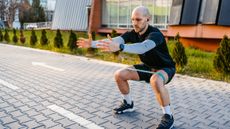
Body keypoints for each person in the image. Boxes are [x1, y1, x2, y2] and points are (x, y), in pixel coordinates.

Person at [77, 6, 175, 129]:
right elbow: (116, 40)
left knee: (155, 80)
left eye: (138, 19)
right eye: (132, 19)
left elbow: (143, 47)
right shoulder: (132, 33)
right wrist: (92, 44)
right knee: (119, 74)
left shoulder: (155, 34)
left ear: (148, 19)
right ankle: (128, 103)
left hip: (165, 68)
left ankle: (168, 116)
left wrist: (121, 47)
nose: (134, 23)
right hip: (148, 67)